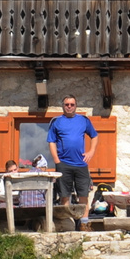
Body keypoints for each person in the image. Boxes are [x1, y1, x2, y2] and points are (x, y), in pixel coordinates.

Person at [46, 96, 99, 229]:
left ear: (76, 106)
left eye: (72, 104)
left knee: (83, 196)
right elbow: (51, 141)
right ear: (62, 106)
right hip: (63, 163)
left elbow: (94, 136)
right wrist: (56, 160)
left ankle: (84, 224)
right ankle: (66, 224)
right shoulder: (56, 122)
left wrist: (91, 152)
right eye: (67, 104)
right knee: (64, 196)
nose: (69, 106)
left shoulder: (83, 120)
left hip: (81, 164)